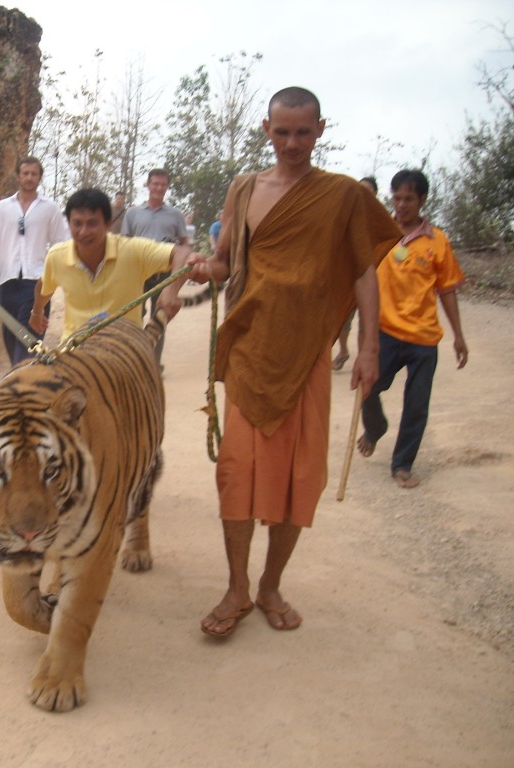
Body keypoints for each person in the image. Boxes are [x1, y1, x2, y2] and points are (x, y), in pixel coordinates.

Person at [181, 87, 400, 638]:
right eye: (282, 132)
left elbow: (361, 272)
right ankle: (236, 587)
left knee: (299, 477)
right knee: (238, 473)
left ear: (321, 129)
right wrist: (204, 269)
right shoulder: (245, 188)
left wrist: (369, 346)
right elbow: (229, 262)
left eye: (303, 132)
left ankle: (270, 585)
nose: (292, 143)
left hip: (307, 354)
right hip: (254, 349)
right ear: (266, 129)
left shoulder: (344, 196)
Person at [357, 169, 468, 489]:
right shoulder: (379, 234)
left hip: (423, 339)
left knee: (417, 404)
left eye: (409, 199)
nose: (402, 204)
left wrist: (458, 335)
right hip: (385, 333)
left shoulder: (438, 241)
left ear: (422, 200)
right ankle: (375, 427)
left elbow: (447, 290)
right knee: (368, 389)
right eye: (397, 198)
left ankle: (402, 464)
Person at [29, 188, 189, 341]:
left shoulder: (133, 250)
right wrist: (36, 312)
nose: (84, 232)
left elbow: (182, 253)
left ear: (108, 224)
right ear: (69, 223)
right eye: (77, 223)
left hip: (123, 350)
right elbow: (44, 286)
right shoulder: (57, 256)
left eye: (92, 224)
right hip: (74, 348)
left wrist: (171, 290)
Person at [0, 157, 69, 365]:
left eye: (34, 174)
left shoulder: (50, 209)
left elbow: (62, 243)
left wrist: (59, 273)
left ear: (40, 178)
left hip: (37, 283)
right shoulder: (3, 207)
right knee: (11, 335)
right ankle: (21, 375)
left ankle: (22, 379)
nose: (29, 178)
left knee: (29, 337)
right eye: (25, 173)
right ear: (18, 176)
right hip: (7, 281)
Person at [121, 169, 189, 368]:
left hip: (163, 274)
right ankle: (132, 362)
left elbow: (185, 243)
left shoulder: (176, 215)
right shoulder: (132, 213)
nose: (159, 188)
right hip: (138, 273)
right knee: (133, 318)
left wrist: (180, 271)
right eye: (155, 184)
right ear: (148, 185)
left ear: (167, 187)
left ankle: (153, 364)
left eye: (163, 184)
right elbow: (124, 242)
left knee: (159, 318)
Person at [333, 176, 380, 370]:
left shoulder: (379, 218)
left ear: (375, 195)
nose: (363, 193)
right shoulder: (345, 215)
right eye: (360, 189)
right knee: (343, 319)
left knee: (366, 322)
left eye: (368, 191)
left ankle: (364, 357)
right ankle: (343, 350)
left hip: (373, 278)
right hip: (349, 278)